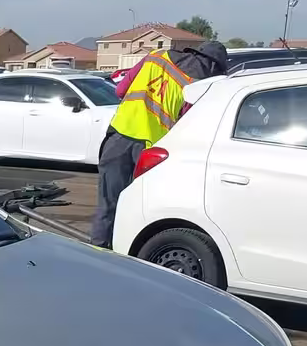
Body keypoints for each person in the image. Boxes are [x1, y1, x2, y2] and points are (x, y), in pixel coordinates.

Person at [90, 41, 229, 249]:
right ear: (214, 66)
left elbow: (120, 90)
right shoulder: (199, 85)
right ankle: (127, 253)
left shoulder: (155, 57)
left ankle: (98, 250)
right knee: (141, 208)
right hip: (152, 151)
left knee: (108, 203)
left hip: (119, 136)